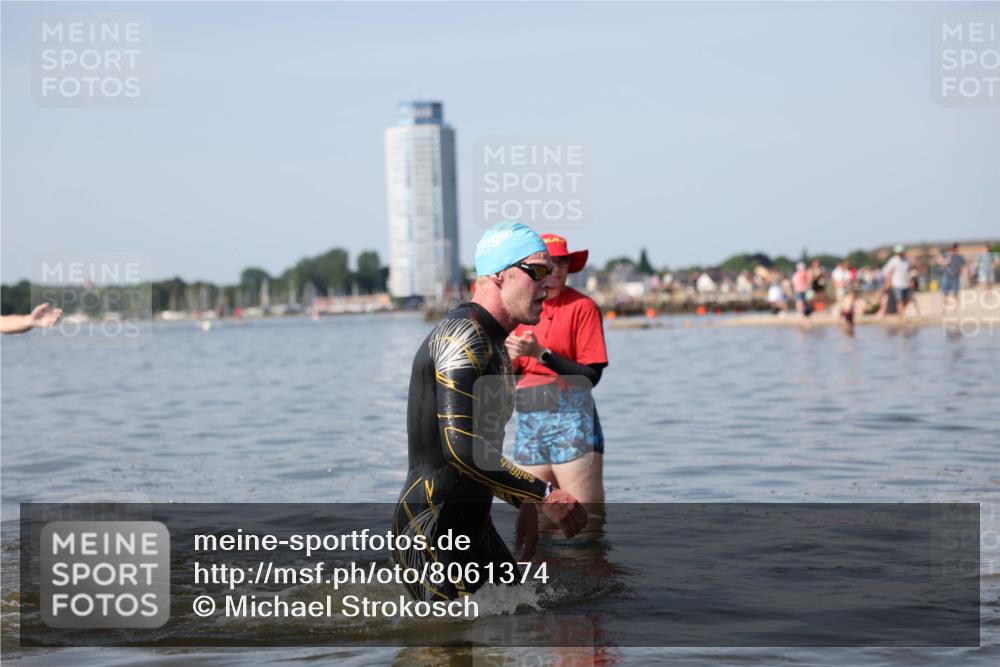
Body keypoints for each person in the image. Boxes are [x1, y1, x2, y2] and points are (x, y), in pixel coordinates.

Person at [392, 220, 587, 603]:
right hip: (432, 531)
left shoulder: (495, 343)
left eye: (552, 271)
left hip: (474, 526)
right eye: (539, 271)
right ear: (500, 274)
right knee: (448, 650)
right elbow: (460, 447)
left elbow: (484, 442)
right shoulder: (459, 337)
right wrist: (541, 493)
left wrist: (523, 501)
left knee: (526, 623)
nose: (550, 284)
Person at [505, 234, 609, 505]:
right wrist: (511, 359)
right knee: (535, 517)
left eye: (561, 263)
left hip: (572, 417)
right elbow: (509, 379)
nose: (555, 271)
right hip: (530, 419)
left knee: (584, 518)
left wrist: (542, 354)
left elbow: (591, 377)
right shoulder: (521, 310)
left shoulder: (582, 307)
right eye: (547, 265)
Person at [880, 245, 913, 323]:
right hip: (897, 284)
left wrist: (911, 281)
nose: (900, 254)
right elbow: (888, 272)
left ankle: (900, 312)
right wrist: (888, 282)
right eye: (898, 253)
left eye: (901, 252)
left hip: (906, 283)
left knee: (907, 299)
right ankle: (902, 317)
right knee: (899, 300)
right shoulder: (893, 261)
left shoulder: (907, 260)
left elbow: (910, 271)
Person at [939, 243, 966, 308]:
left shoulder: (960, 257)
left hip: (955, 277)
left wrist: (964, 275)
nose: (952, 250)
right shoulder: (947, 255)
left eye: (954, 248)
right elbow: (940, 261)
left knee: (955, 294)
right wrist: (945, 261)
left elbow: (964, 265)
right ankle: (944, 310)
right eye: (952, 248)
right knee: (945, 294)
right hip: (947, 277)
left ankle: (955, 311)